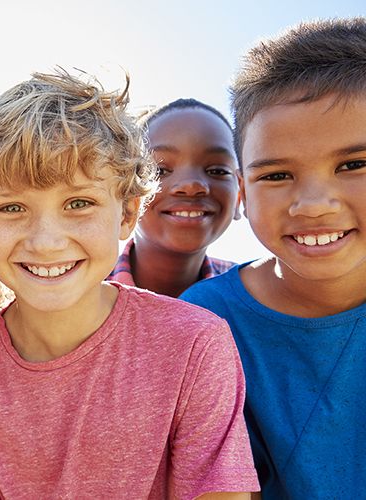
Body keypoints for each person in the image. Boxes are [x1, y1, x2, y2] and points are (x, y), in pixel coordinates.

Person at [0, 70, 259, 499]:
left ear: (127, 213)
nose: (46, 241)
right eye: (11, 207)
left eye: (79, 203)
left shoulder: (197, 344)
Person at [180, 18, 366, 498]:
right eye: (277, 175)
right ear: (242, 192)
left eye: (354, 165)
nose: (314, 204)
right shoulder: (207, 322)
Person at [107, 98, 239, 297]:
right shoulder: (79, 294)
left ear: (239, 196)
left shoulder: (257, 298)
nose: (191, 185)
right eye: (159, 170)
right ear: (127, 197)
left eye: (217, 170)